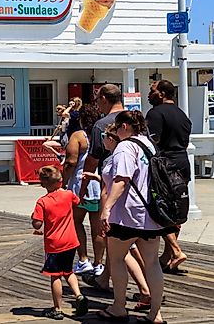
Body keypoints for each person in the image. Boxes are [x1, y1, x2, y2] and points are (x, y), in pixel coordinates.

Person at [95, 109, 170, 324]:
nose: (116, 132)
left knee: (117, 259)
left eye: (118, 128)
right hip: (151, 215)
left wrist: (106, 209)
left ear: (125, 127)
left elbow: (121, 180)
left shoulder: (125, 147)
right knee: (152, 262)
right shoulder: (148, 144)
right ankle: (155, 313)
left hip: (126, 214)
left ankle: (119, 307)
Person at [31, 165, 89, 320]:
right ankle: (78, 295)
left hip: (54, 244)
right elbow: (78, 202)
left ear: (43, 184)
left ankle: (57, 308)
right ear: (60, 180)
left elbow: (37, 224)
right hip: (71, 241)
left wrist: (34, 219)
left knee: (55, 276)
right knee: (68, 271)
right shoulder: (68, 195)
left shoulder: (42, 202)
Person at [80, 83, 124, 286]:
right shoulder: (137, 121)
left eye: (98, 100)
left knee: (115, 241)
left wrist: (83, 181)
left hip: (110, 185)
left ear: (104, 99)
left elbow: (93, 158)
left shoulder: (101, 125)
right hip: (135, 187)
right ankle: (105, 278)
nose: (97, 104)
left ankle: (143, 289)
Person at [146, 80, 191, 273]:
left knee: (159, 208)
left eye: (152, 91)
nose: (149, 94)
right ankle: (166, 256)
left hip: (165, 166)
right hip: (183, 163)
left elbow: (152, 142)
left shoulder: (155, 113)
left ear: (162, 93)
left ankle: (175, 250)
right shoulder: (182, 114)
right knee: (176, 209)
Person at [61, 104, 104, 275]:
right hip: (98, 183)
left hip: (81, 183)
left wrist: (63, 182)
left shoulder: (78, 136)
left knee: (76, 222)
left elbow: (71, 162)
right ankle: (99, 263)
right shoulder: (101, 134)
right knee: (97, 226)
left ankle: (83, 259)